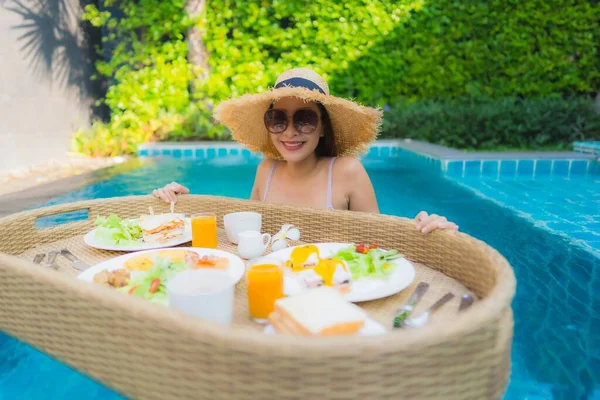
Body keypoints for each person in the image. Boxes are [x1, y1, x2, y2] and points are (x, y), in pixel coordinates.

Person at [152, 68, 458, 234]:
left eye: (305, 118)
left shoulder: (346, 171)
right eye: (278, 118)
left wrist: (425, 228)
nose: (289, 131)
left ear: (324, 126)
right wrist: (182, 203)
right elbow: (243, 232)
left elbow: (379, 238)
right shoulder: (266, 171)